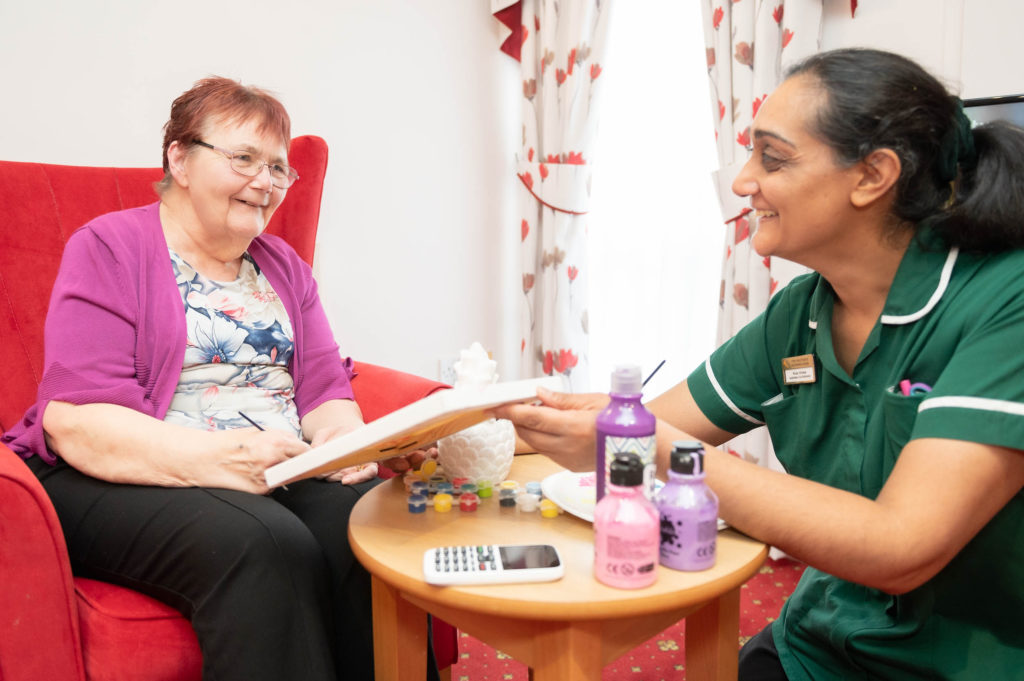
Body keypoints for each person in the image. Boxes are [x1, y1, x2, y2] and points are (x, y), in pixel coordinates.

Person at [497, 48, 1024, 680]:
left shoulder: (1005, 302)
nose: (744, 181)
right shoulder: (798, 314)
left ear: (872, 175)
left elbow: (900, 547)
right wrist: (461, 436)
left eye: (771, 157)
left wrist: (644, 440)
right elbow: (642, 429)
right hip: (819, 646)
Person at [3, 77, 431, 681]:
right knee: (265, 545)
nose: (266, 181)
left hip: (270, 463)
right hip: (126, 466)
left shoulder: (284, 267)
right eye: (244, 159)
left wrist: (342, 442)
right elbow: (79, 420)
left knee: (369, 524)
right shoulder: (108, 247)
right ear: (179, 158)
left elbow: (325, 390)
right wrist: (220, 457)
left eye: (279, 168)